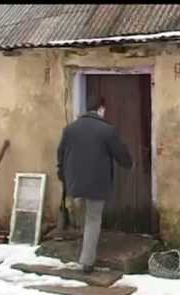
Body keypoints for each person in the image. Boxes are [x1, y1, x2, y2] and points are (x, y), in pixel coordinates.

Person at [57, 96, 133, 273]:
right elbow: (120, 153)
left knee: (84, 217)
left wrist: (62, 175)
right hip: (97, 183)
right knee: (93, 219)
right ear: (101, 109)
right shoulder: (106, 130)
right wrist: (128, 163)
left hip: (74, 182)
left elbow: (60, 153)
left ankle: (84, 249)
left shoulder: (70, 129)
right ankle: (87, 261)